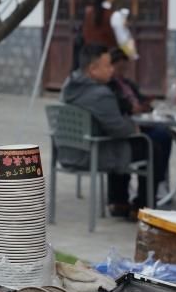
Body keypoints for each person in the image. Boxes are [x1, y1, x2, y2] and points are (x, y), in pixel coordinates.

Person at [60, 44, 164, 218]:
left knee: (126, 144)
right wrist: (134, 127)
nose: (112, 70)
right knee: (152, 147)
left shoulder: (69, 86)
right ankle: (142, 206)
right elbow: (120, 129)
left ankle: (118, 201)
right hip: (92, 153)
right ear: (93, 69)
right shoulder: (100, 93)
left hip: (67, 150)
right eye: (108, 66)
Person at [107, 48, 173, 203]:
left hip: (136, 126)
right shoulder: (106, 89)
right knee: (154, 145)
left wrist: (145, 105)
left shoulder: (127, 83)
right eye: (119, 67)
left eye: (125, 68)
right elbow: (116, 116)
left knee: (163, 136)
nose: (122, 71)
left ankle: (152, 189)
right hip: (124, 134)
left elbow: (141, 101)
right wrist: (130, 110)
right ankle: (143, 199)